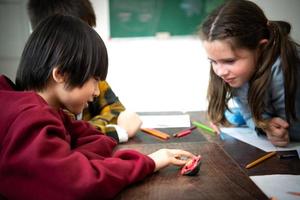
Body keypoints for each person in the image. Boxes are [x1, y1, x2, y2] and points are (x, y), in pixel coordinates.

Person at [0, 15, 195, 200]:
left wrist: (75, 162)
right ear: (61, 74)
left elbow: (92, 137)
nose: (96, 91)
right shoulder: (30, 118)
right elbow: (79, 186)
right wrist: (151, 162)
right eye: (95, 79)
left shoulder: (51, 112)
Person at [26, 0, 141, 143]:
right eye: (79, 34)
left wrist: (87, 128)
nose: (88, 42)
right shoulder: (34, 108)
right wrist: (114, 131)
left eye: (90, 31)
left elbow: (115, 109)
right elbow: (69, 139)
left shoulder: (88, 81)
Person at [199, 0, 300, 147]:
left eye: (230, 61)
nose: (220, 72)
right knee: (232, 116)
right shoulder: (237, 74)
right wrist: (264, 125)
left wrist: (277, 131)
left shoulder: (284, 68)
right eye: (213, 61)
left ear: (261, 48)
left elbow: (295, 128)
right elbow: (249, 115)